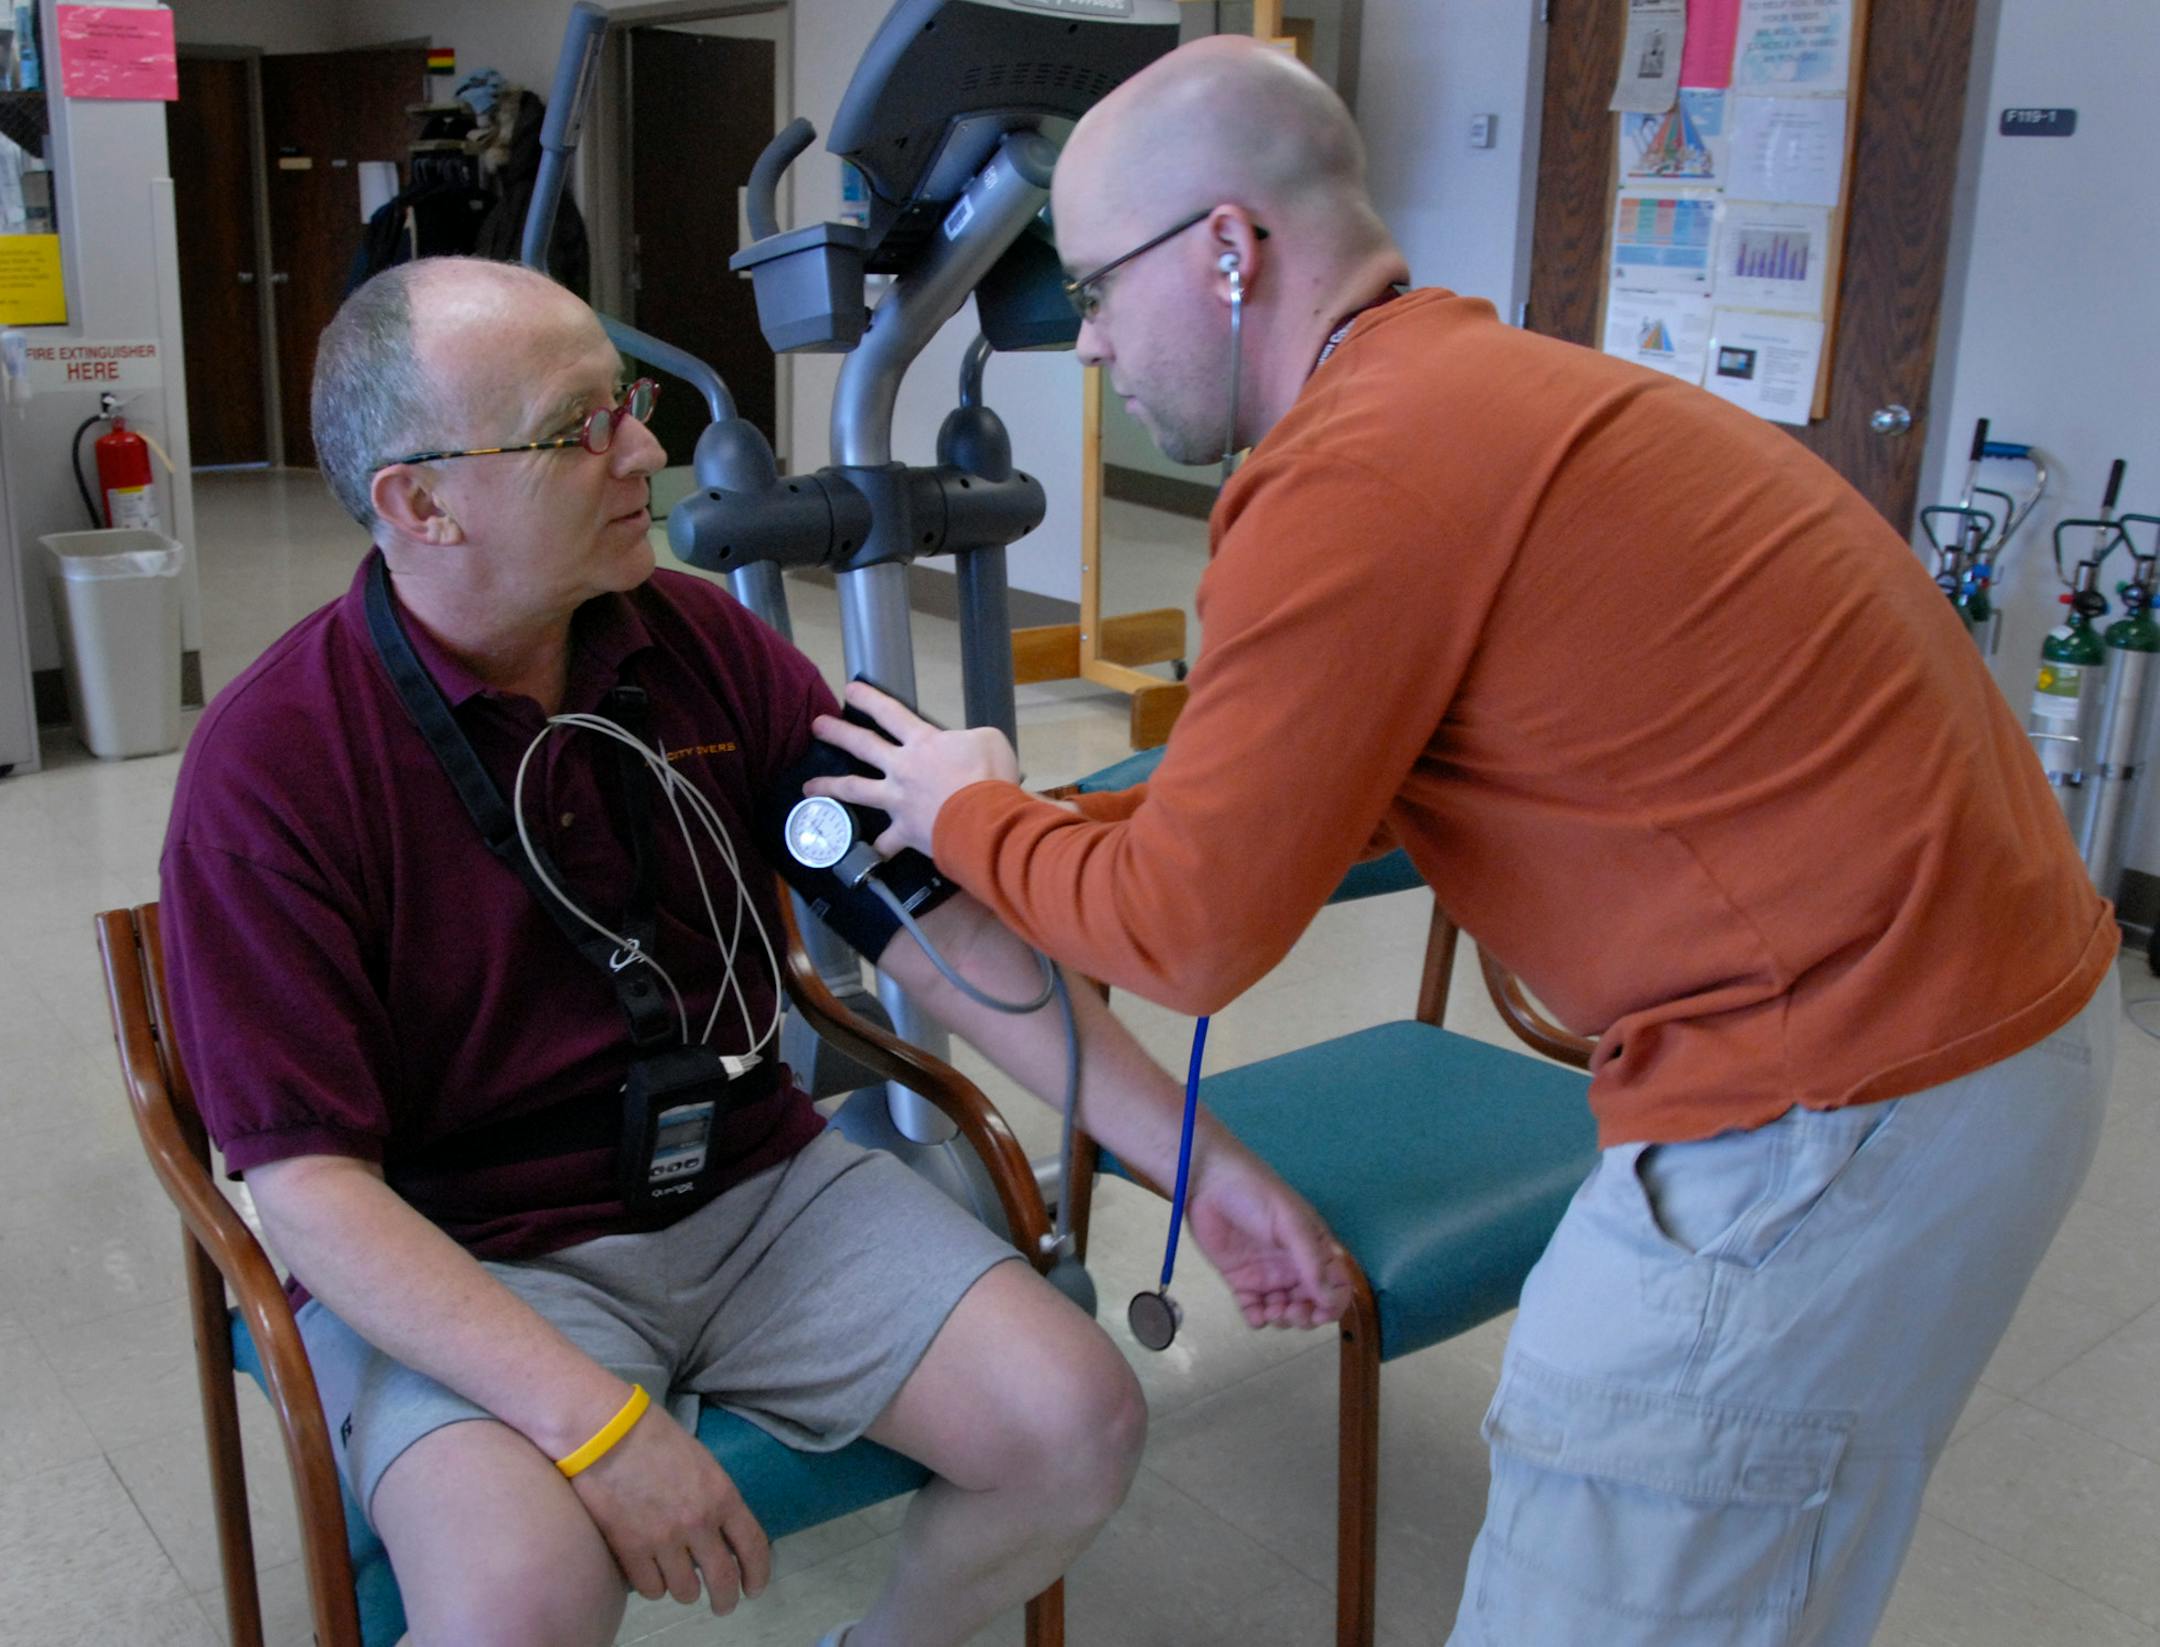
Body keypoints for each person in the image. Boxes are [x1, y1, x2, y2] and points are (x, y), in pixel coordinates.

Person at [808, 37, 2121, 1647]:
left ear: (1227, 248)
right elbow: (1262, 800)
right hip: (1976, 1040)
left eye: (1089, 290)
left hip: (1842, 1093)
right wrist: (1032, 836)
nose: (1084, 348)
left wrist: (970, 811)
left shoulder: (1358, 471)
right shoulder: (1465, 391)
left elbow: (1191, 929)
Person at [159, 256, 1346, 1647]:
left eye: (631, 403)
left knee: (1077, 1425)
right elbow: (309, 1194)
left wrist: (1194, 1160)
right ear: (420, 503)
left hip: (755, 1184)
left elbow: (926, 924)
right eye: (578, 426)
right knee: (519, 1603)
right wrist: (597, 1430)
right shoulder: (271, 773)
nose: (645, 453)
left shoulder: (697, 647)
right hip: (472, 1251)